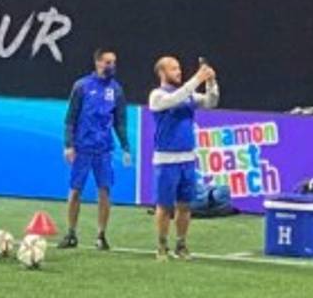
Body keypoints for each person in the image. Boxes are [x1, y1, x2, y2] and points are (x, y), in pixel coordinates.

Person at [59, 48, 132, 250]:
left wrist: (126, 147)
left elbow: (120, 122)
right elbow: (70, 119)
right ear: (98, 63)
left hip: (104, 149)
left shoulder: (116, 90)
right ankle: (71, 233)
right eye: (108, 62)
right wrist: (68, 145)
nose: (112, 66)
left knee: (104, 191)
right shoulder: (82, 86)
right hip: (82, 148)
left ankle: (101, 235)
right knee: (75, 191)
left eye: (114, 62)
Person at [149, 56, 219, 261]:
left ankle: (181, 244)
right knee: (164, 206)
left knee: (184, 205)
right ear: (162, 73)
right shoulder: (157, 95)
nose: (179, 71)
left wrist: (211, 82)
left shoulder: (188, 95)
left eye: (179, 68)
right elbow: (175, 98)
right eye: (173, 69)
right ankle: (162, 246)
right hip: (166, 160)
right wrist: (197, 78)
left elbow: (211, 102)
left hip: (187, 158)